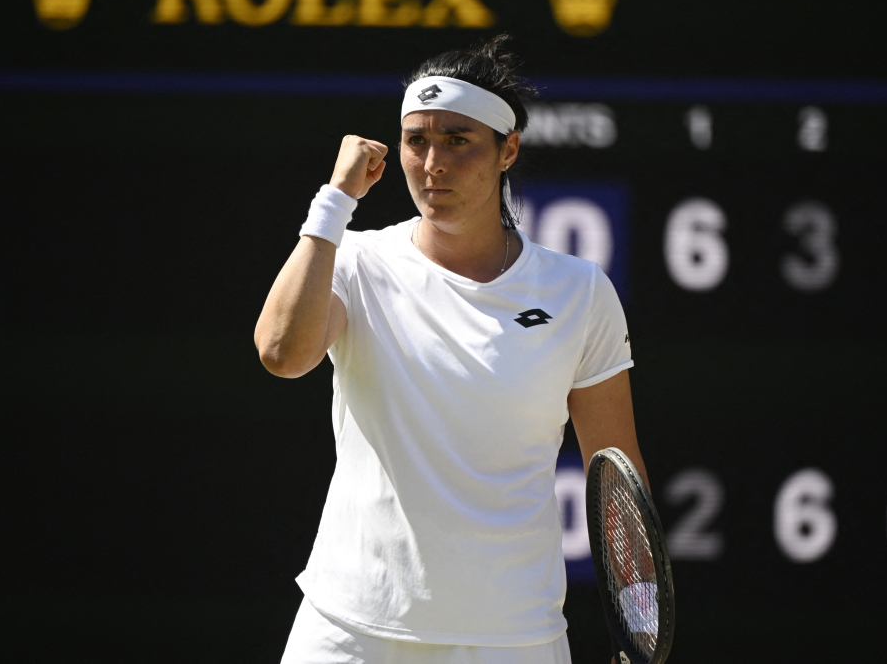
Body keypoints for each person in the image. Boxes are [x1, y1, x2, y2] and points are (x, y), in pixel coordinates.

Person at [254, 35, 650, 664]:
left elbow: (617, 478)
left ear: (507, 150)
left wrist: (639, 621)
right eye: (417, 140)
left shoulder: (580, 293)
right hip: (350, 630)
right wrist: (333, 204)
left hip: (515, 639)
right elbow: (281, 352)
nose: (432, 162)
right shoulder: (354, 261)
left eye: (458, 140)